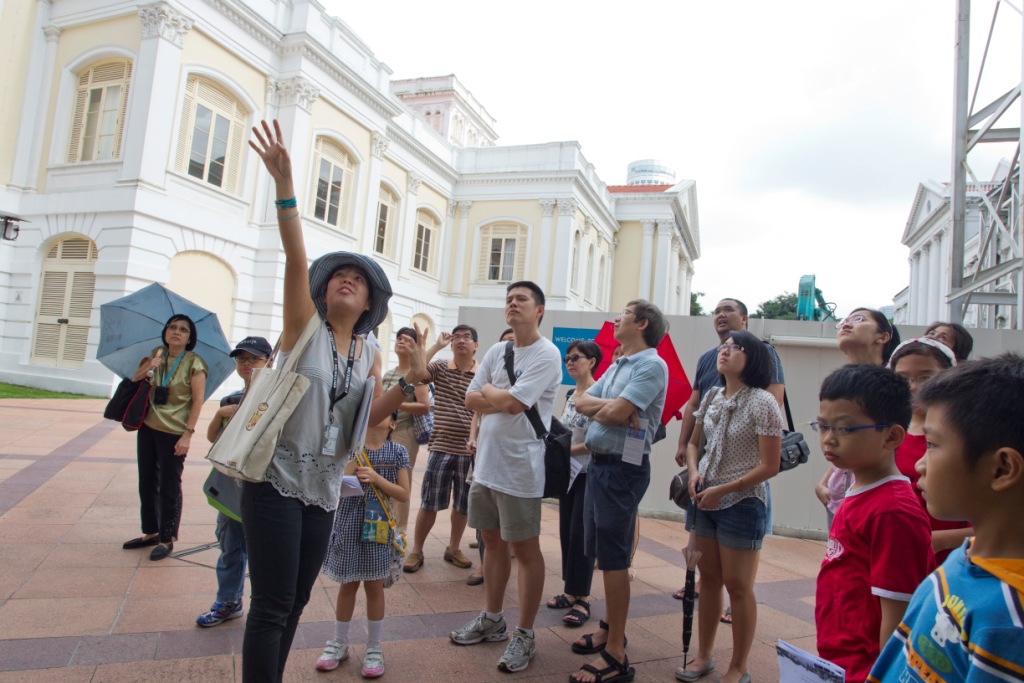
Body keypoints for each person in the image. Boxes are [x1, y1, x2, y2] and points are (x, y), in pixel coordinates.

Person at [244, 119, 429, 683]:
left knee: (296, 604)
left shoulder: (369, 350)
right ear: (324, 292)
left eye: (358, 278)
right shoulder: (306, 329)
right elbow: (297, 260)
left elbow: (369, 418)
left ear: (370, 300)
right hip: (276, 479)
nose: (346, 280)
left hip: (325, 489)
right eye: (339, 276)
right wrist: (285, 187)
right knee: (273, 606)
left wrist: (412, 378)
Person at [868, 353, 1024, 682]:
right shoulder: (964, 557)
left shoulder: (1008, 623)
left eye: (932, 445)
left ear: (1002, 468)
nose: (920, 465)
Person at [449, 281, 562, 674]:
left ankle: (525, 633)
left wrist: (498, 394)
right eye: (509, 300)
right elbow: (470, 398)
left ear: (539, 310)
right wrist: (503, 395)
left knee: (525, 550)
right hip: (487, 466)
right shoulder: (498, 349)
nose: (513, 304)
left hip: (520, 469)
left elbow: (515, 404)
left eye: (522, 300)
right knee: (492, 543)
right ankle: (492, 618)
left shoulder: (547, 354)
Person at [812, 364, 933, 683]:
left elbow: (898, 620)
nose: (828, 440)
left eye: (844, 429)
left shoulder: (892, 511)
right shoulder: (858, 487)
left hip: (866, 670)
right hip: (839, 660)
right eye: (822, 427)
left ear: (892, 436)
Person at [570, 301, 668, 683]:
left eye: (624, 313)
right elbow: (579, 401)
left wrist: (610, 408)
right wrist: (610, 406)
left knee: (613, 558)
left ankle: (616, 656)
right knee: (603, 553)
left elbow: (610, 414)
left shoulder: (650, 364)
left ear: (641, 323)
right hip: (601, 465)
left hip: (622, 470)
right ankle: (611, 629)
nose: (616, 318)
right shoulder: (620, 362)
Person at [675, 331, 781, 683]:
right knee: (709, 581)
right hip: (704, 497)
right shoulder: (712, 395)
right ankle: (703, 656)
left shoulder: (763, 401)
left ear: (753, 358)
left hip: (743, 502)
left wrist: (726, 489)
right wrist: (693, 472)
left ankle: (739, 665)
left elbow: (770, 466)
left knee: (738, 586)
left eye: (735, 348)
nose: (725, 351)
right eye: (723, 347)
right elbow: (694, 444)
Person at [316, 412, 411, 678]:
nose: (375, 414)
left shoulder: (398, 452)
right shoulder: (350, 448)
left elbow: (404, 494)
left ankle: (374, 647)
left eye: (384, 413)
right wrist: (351, 463)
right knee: (348, 585)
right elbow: (333, 485)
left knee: (374, 587)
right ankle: (339, 642)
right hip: (347, 524)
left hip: (379, 528)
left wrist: (377, 479)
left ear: (393, 423)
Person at [196, 335, 272, 627]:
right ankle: (228, 601)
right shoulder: (231, 400)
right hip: (231, 489)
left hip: (263, 489)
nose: (247, 364)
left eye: (254, 358)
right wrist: (220, 415)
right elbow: (214, 439)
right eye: (241, 359)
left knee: (265, 555)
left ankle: (266, 610)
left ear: (269, 362)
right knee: (230, 549)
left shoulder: (276, 400)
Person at [121, 314, 207, 561]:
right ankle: (150, 531)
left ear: (190, 337)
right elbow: (135, 379)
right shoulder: (156, 354)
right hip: (148, 426)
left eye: (183, 329)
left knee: (169, 485)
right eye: (172, 327)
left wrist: (187, 435)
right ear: (165, 331)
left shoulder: (195, 363)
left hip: (174, 433)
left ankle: (167, 538)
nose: (176, 332)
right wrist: (148, 368)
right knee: (146, 481)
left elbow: (198, 400)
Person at [404, 324, 480, 574]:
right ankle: (417, 551)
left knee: (462, 505)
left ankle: (453, 547)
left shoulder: (482, 374)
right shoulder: (440, 367)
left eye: (466, 337)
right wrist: (436, 345)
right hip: (441, 446)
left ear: (475, 345)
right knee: (429, 502)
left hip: (469, 451)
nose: (461, 341)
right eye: (457, 337)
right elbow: (416, 371)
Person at [815, 308, 900, 529]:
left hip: (875, 501)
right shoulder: (840, 382)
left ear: (883, 336)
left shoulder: (896, 385)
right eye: (844, 320)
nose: (846, 324)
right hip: (837, 499)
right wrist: (825, 481)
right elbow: (841, 437)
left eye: (859, 319)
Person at [889, 338, 969, 565]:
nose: (913, 386)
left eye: (925, 377)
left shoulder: (968, 435)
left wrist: (939, 540)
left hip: (953, 561)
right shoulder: (889, 432)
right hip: (899, 556)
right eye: (903, 378)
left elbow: (1001, 520)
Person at [545, 339, 602, 627]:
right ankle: (570, 590)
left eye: (576, 357)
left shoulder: (600, 393)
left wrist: (563, 449)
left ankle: (583, 598)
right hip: (568, 472)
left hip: (588, 473)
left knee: (582, 534)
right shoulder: (571, 394)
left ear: (592, 361)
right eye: (567, 357)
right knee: (567, 530)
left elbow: (594, 442)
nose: (570, 361)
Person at [466, 327, 515, 585]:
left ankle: (497, 565)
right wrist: (473, 437)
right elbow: (473, 407)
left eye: (513, 342)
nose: (509, 346)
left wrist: (487, 392)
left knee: (506, 526)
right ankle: (483, 566)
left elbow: (516, 404)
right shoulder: (493, 368)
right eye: (505, 342)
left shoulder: (531, 368)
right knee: (484, 522)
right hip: (483, 456)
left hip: (511, 461)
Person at [381, 326, 431, 535]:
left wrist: (395, 404)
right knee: (382, 479)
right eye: (398, 338)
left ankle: (398, 532)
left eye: (406, 339)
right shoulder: (389, 373)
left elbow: (425, 405)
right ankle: (381, 527)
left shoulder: (417, 375)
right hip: (382, 434)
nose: (401, 341)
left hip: (404, 433)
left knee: (401, 482)